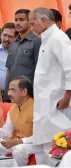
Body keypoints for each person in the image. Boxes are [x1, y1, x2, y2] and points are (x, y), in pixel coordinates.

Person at [29, 7, 71, 162]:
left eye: (33, 24)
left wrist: (67, 96)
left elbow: (70, 67)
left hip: (56, 103)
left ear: (43, 20)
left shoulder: (59, 38)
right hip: (43, 105)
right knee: (41, 150)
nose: (31, 28)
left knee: (55, 152)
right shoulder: (46, 39)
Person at [0, 76, 38, 166]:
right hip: (18, 142)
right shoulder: (12, 109)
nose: (8, 93)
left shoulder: (37, 108)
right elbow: (7, 132)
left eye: (13, 90)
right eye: (9, 90)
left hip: (35, 144)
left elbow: (40, 136)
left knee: (19, 149)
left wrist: (17, 142)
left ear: (24, 92)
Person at [4, 9, 41, 102]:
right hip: (11, 95)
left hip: (28, 94)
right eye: (16, 20)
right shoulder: (14, 43)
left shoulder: (37, 41)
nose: (17, 23)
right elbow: (9, 70)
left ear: (30, 22)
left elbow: (39, 69)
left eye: (21, 20)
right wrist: (6, 94)